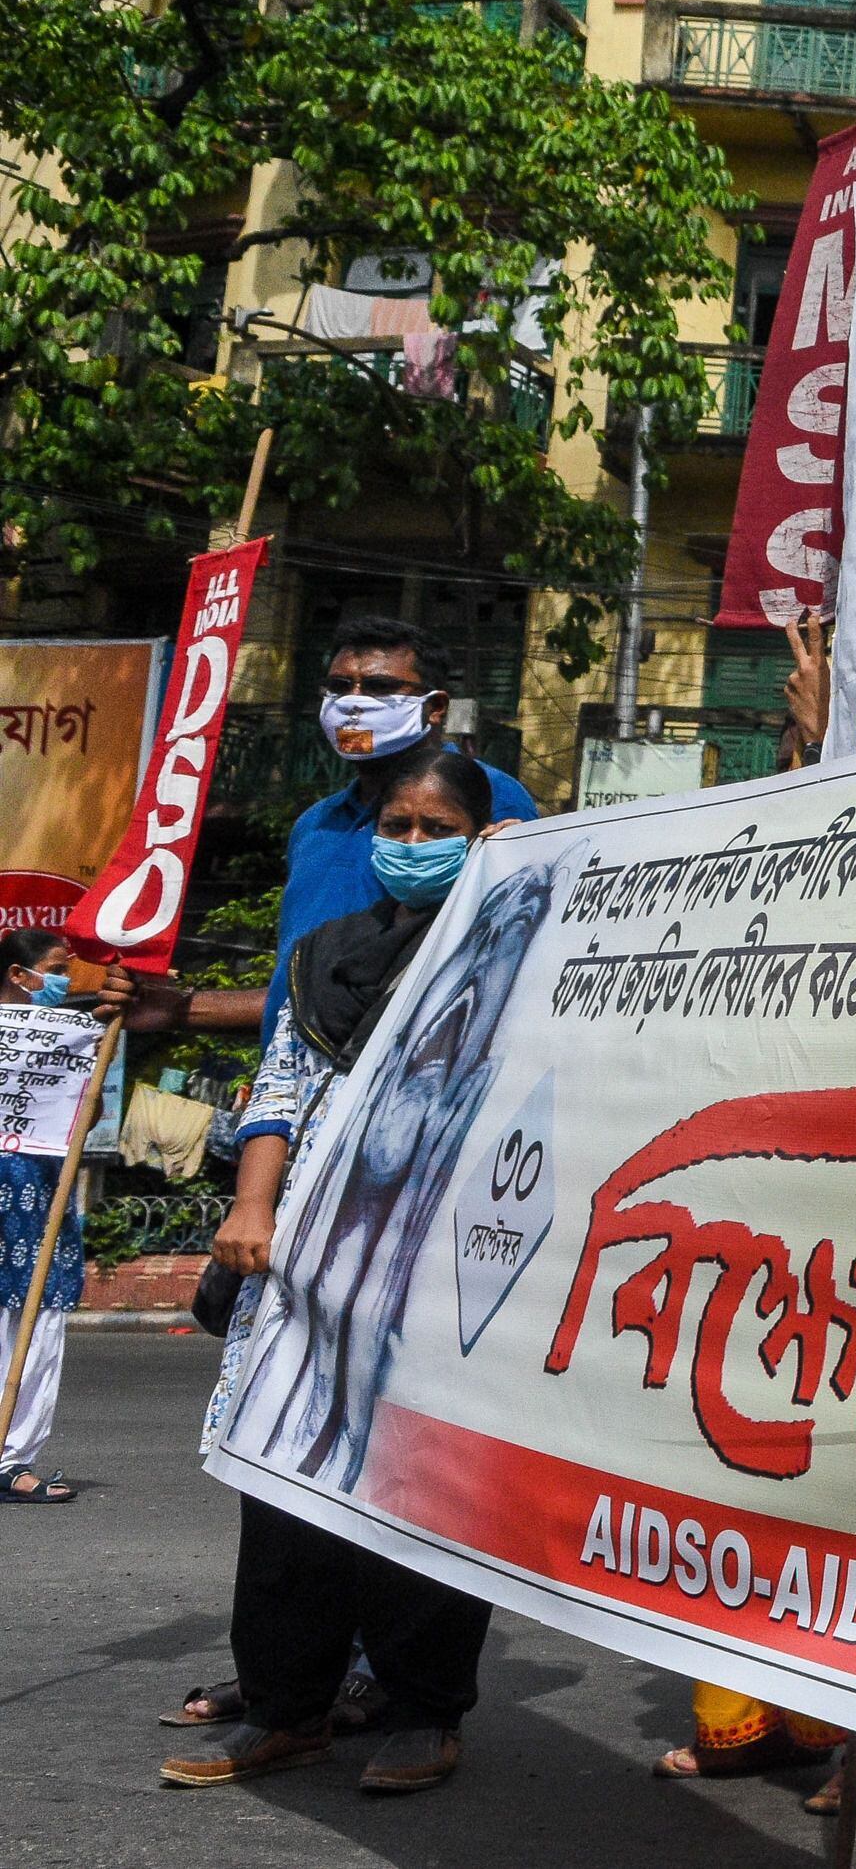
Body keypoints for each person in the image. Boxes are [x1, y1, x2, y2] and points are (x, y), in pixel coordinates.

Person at [165, 742, 500, 1797]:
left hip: (435, 1268)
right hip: (304, 1263)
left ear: (479, 838)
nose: (408, 846)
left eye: (434, 830)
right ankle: (288, 1708)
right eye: (395, 828)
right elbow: (277, 1090)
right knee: (283, 1482)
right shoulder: (324, 954)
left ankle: (422, 1711)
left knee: (417, 1485)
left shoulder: (511, 953)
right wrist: (252, 1204)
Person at [260, 614, 538, 1049]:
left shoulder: (491, 798)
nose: (353, 703)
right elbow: (302, 988)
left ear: (435, 708)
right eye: (338, 687)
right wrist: (182, 1007)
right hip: (290, 1087)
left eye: (378, 688)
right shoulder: (315, 825)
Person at [3, 927, 138, 1506]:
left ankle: (12, 1458)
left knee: (36, 1323)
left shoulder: (69, 1035)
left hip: (38, 1198)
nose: (68, 977)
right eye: (59, 966)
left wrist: (90, 1062)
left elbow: (85, 1115)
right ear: (19, 975)